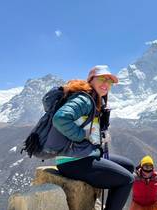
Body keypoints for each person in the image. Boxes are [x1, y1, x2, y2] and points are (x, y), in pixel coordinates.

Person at [53, 65, 134, 210]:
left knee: (129, 166)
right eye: (102, 79)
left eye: (109, 81)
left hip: (83, 155)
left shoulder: (95, 99)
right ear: (91, 80)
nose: (106, 84)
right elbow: (60, 118)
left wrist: (98, 136)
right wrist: (82, 135)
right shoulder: (85, 99)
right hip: (75, 161)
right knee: (127, 180)